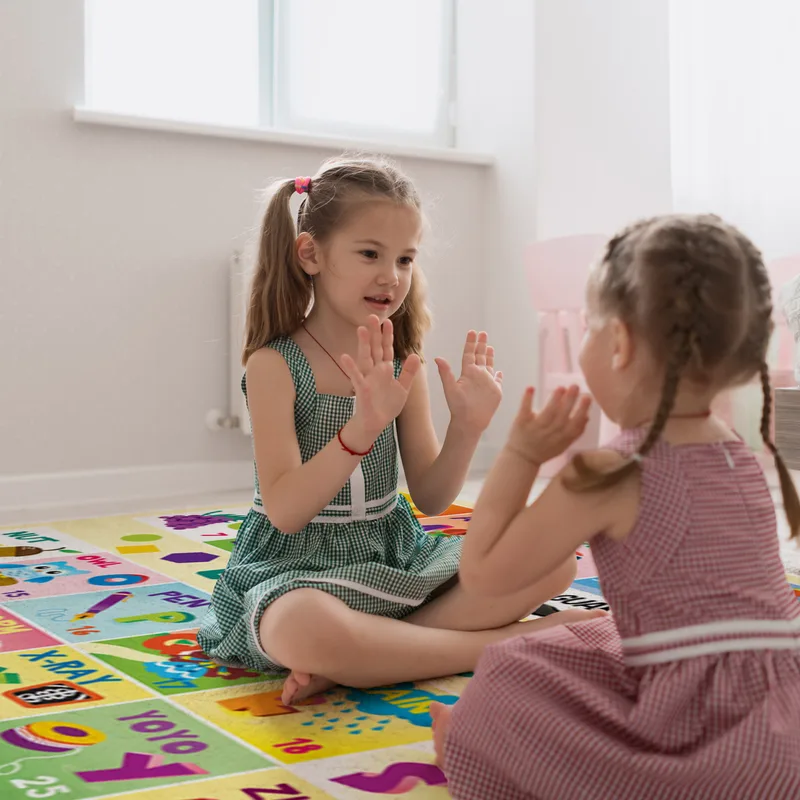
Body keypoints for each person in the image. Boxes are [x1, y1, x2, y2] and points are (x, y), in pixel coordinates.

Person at [197, 155, 597, 705]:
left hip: (394, 561)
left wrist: (467, 427)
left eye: (406, 258)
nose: (392, 276)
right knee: (301, 627)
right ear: (310, 254)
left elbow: (432, 497)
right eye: (370, 254)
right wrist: (360, 428)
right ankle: (497, 645)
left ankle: (365, 656)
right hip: (298, 569)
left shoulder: (402, 362)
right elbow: (287, 511)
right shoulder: (274, 365)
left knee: (553, 561)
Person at [431, 214, 800, 799]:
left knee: (505, 673)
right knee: (587, 637)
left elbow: (482, 574)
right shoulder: (737, 453)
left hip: (715, 749)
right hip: (789, 725)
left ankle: (479, 750)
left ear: (619, 343)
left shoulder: (611, 472)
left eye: (589, 327)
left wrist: (520, 456)